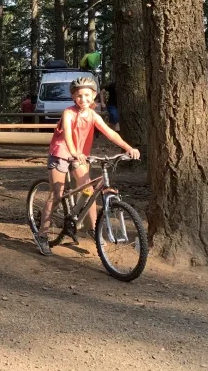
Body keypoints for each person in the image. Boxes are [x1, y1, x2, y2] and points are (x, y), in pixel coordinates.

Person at [32, 76, 140, 256]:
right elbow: (68, 135)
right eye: (79, 95)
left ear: (94, 95)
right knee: (57, 195)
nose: (83, 99)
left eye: (87, 95)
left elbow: (110, 133)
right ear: (73, 97)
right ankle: (42, 235)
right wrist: (74, 152)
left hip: (79, 155)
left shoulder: (93, 115)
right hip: (61, 152)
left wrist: (128, 148)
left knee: (89, 190)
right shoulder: (69, 113)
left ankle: (93, 229)